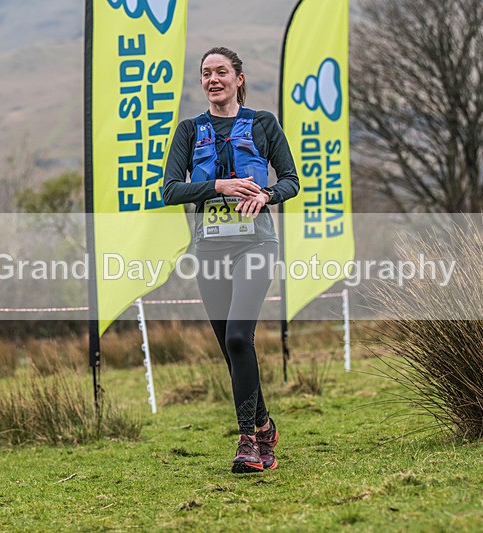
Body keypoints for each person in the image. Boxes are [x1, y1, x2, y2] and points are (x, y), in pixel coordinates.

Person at [162, 47, 299, 473]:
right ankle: (263, 425)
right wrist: (218, 186)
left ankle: (247, 441)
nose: (213, 79)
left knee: (240, 337)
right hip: (209, 250)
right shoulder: (189, 130)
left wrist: (267, 194)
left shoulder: (263, 124)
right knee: (229, 346)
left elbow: (291, 180)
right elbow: (169, 190)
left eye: (221, 71)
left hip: (256, 245)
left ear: (239, 78)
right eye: (206, 73)